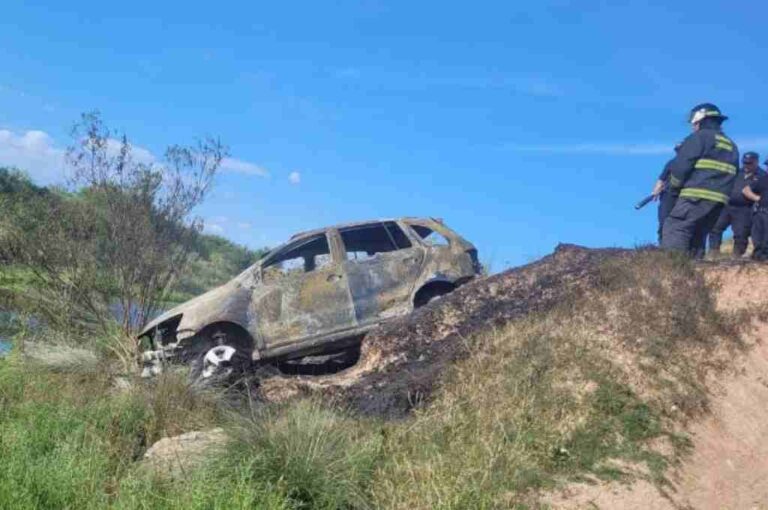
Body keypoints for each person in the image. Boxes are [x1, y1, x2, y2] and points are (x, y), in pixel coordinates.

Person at [661, 103, 739, 258]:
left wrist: (674, 189)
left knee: (676, 227)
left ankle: (672, 271)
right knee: (698, 235)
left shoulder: (699, 137)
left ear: (700, 120)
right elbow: (734, 173)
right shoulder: (731, 145)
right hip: (718, 202)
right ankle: (695, 274)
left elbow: (681, 167)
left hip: (695, 196)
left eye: (694, 123)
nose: (693, 127)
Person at [708, 152, 762, 257]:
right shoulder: (736, 172)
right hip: (727, 206)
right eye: (745, 163)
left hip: (745, 209)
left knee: (741, 234)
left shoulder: (762, 175)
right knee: (715, 227)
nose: (746, 165)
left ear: (756, 162)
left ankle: (736, 256)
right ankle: (713, 252)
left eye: (749, 163)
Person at [652, 144, 682, 244]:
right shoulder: (671, 163)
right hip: (668, 195)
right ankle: (662, 246)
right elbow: (661, 179)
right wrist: (656, 190)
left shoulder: (692, 164)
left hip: (683, 197)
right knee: (664, 221)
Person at [743, 170, 768, 260]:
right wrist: (757, 198)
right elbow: (746, 190)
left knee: (766, 241)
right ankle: (757, 258)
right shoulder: (763, 180)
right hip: (760, 212)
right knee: (757, 239)